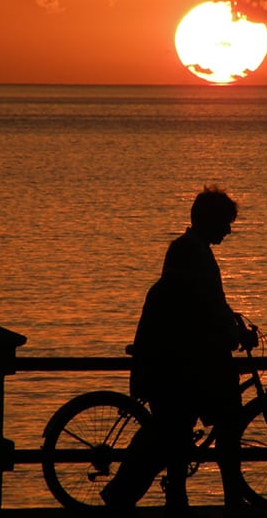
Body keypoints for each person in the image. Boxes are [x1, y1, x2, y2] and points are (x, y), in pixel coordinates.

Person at [101, 185, 256, 516]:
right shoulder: (193, 252)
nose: (229, 230)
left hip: (179, 358)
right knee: (224, 424)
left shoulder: (189, 249)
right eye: (226, 222)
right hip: (187, 361)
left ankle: (177, 497)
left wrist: (232, 324)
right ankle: (229, 498)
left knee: (175, 430)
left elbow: (208, 302)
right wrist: (233, 334)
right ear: (211, 220)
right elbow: (206, 304)